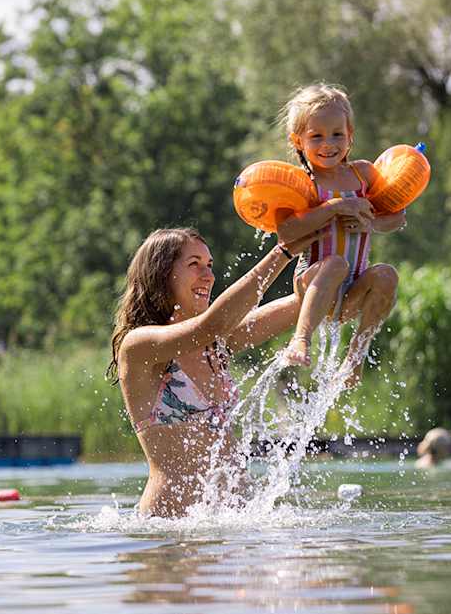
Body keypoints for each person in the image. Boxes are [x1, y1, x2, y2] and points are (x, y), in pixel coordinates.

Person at [109, 219, 324, 518]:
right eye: (194, 264)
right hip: (170, 532)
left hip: (233, 524)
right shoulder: (139, 346)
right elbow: (212, 324)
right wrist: (284, 250)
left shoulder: (218, 344)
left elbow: (303, 306)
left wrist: (333, 262)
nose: (208, 275)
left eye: (209, 265)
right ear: (161, 274)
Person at [278, 85, 404, 382]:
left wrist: (371, 224)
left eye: (337, 134)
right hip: (313, 283)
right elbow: (286, 232)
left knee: (387, 274)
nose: (328, 143)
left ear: (350, 136)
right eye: (316, 136)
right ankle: (301, 340)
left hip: (351, 294)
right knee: (336, 263)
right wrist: (336, 207)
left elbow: (397, 217)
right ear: (298, 141)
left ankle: (354, 360)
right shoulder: (303, 183)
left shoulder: (364, 175)